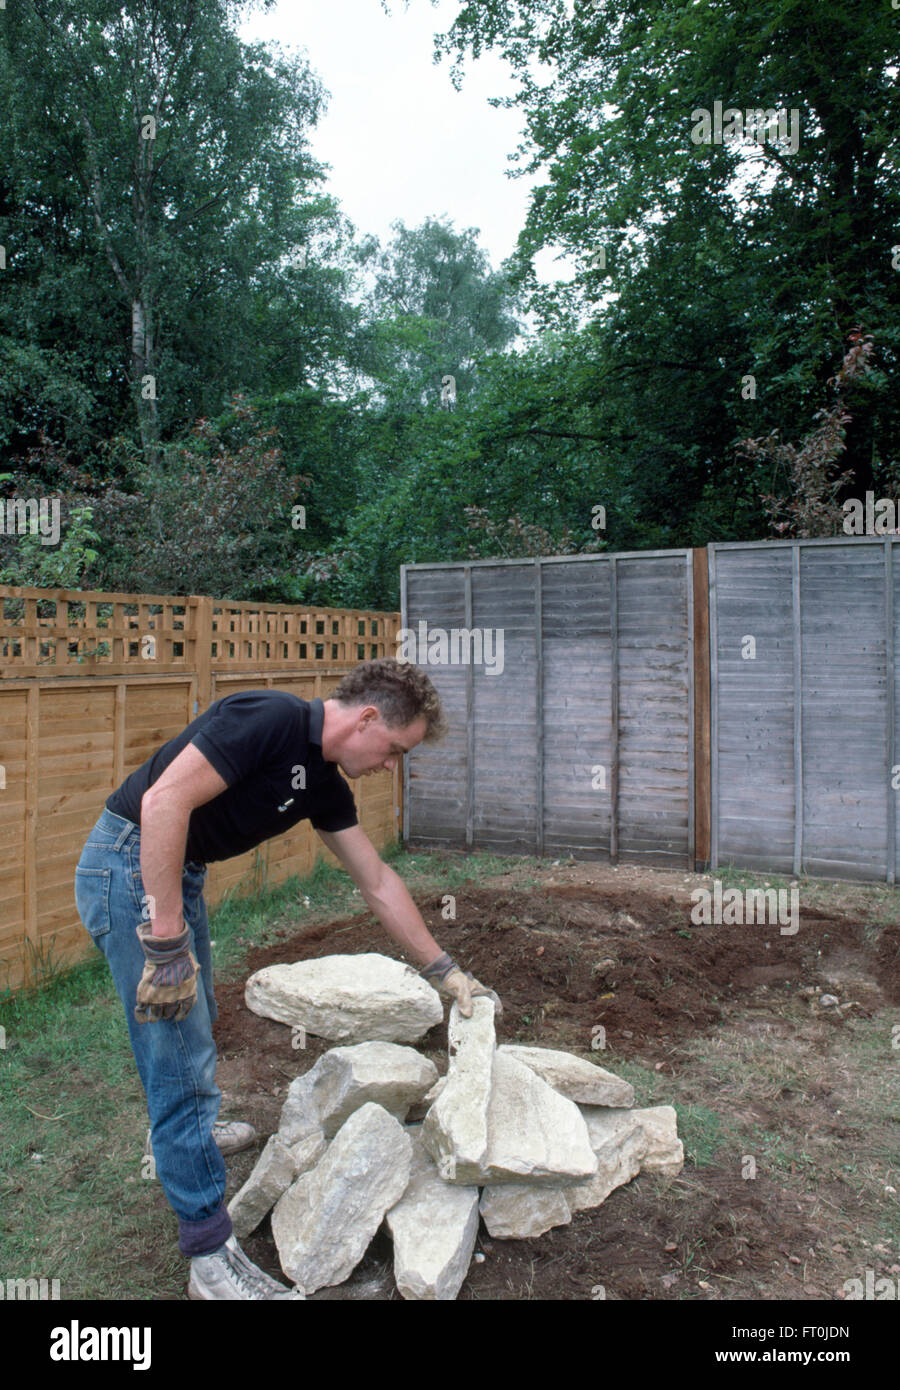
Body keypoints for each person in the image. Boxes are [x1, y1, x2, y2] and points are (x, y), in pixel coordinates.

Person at [73, 657, 502, 1300]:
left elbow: (378, 882)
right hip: (129, 864)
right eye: (394, 750)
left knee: (196, 1025)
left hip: (172, 870)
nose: (391, 766)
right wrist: (164, 942)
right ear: (365, 719)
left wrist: (444, 970)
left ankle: (193, 1134)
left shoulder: (324, 785)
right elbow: (164, 800)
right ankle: (209, 1256)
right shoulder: (267, 718)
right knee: (176, 1051)